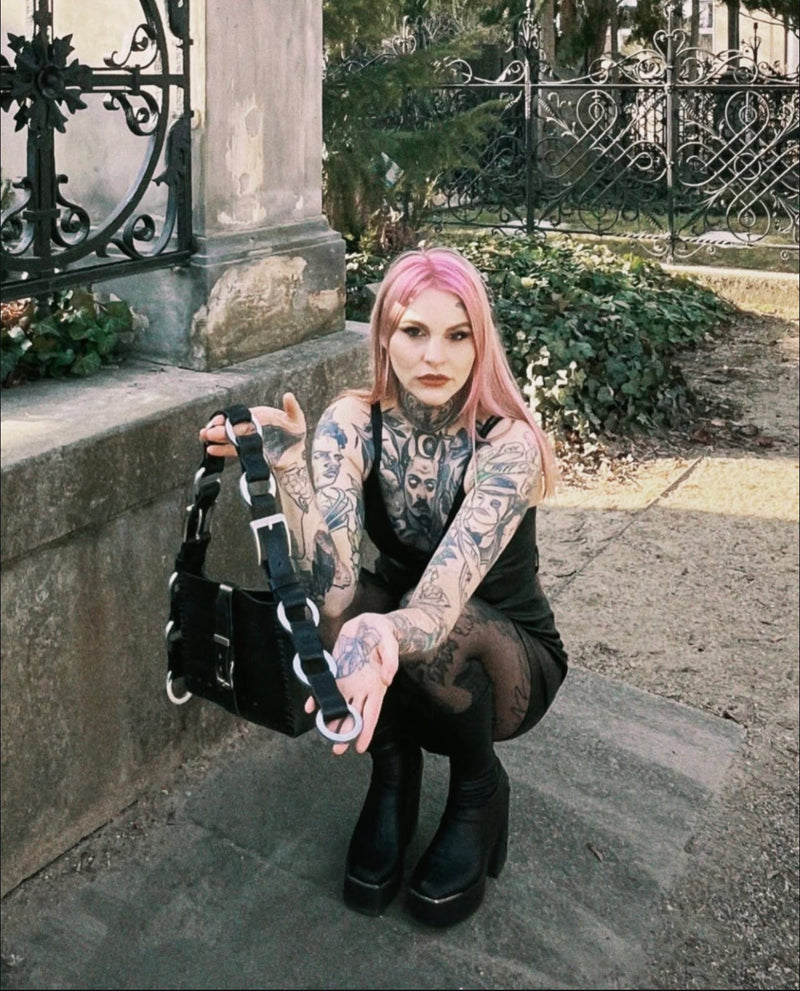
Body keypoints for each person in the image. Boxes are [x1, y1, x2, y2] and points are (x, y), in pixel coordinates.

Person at [201, 246, 568, 927]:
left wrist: (378, 632)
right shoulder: (353, 420)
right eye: (414, 331)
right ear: (384, 336)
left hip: (503, 650)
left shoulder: (507, 445)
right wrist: (289, 471)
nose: (436, 355)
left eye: (458, 334)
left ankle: (478, 789)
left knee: (431, 635)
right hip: (406, 627)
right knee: (336, 615)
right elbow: (331, 583)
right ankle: (394, 774)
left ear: (480, 341)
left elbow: (435, 607)